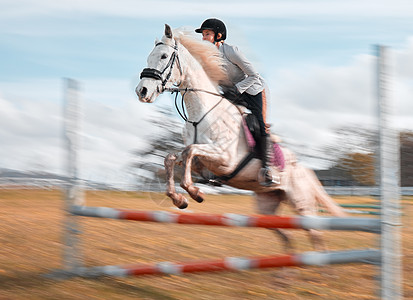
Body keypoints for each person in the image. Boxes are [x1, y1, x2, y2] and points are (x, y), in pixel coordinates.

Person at [195, 18, 279, 186]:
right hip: (231, 92)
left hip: (253, 90)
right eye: (203, 35)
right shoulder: (206, 57)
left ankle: (267, 169)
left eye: (207, 34)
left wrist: (237, 89)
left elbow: (254, 75)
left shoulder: (231, 51)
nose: (204, 38)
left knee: (259, 124)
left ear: (219, 36)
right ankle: (216, 170)